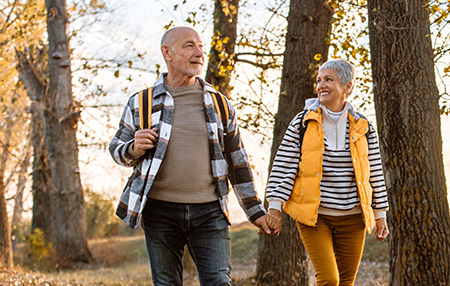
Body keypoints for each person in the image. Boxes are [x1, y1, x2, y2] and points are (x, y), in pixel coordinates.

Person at [108, 26, 277, 286]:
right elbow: (117, 150)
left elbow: (238, 161)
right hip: (159, 211)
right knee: (166, 283)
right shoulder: (141, 103)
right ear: (167, 52)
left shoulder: (220, 104)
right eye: (189, 45)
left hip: (210, 211)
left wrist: (255, 211)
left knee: (219, 281)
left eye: (200, 45)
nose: (199, 52)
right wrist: (134, 148)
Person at [265, 59, 390, 286]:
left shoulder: (363, 126)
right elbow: (284, 165)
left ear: (347, 86)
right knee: (329, 280)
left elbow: (375, 173)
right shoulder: (302, 122)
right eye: (319, 80)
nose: (321, 85)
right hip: (315, 217)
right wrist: (274, 207)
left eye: (328, 79)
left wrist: (380, 214)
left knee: (345, 282)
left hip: (353, 218)